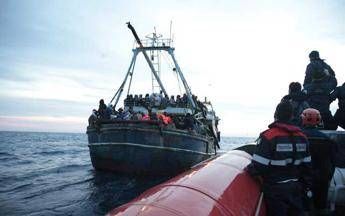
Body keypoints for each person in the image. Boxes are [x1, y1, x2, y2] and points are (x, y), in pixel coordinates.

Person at [246, 101, 312, 216]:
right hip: (296, 188)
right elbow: (307, 166)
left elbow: (258, 166)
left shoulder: (269, 136)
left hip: (276, 190)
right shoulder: (302, 137)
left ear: (276, 114)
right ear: (292, 116)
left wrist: (249, 170)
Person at [301, 108, 335, 214]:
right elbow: (333, 162)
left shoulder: (298, 138)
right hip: (322, 180)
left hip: (302, 179)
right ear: (319, 120)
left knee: (302, 207)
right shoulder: (328, 140)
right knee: (320, 208)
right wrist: (328, 177)